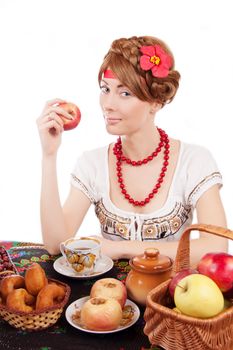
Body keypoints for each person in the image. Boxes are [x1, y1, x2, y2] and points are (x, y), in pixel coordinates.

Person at [37, 35, 228, 265]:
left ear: (156, 102)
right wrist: (49, 154)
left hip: (172, 297)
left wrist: (122, 249)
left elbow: (216, 247)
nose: (108, 103)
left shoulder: (194, 161)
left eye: (125, 93)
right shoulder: (92, 164)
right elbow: (56, 243)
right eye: (105, 89)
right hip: (109, 297)